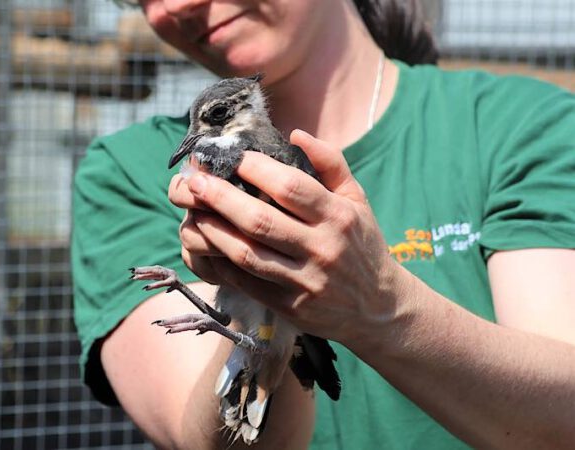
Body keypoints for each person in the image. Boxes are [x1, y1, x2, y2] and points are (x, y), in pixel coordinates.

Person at [71, 0, 575, 448]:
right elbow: (212, 440)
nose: (179, 4)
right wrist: (263, 291)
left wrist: (380, 305)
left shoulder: (527, 126)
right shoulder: (124, 172)